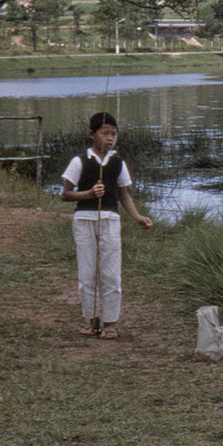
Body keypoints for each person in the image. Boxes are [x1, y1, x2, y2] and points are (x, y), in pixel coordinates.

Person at [61, 112, 153, 340]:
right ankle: (90, 320)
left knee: (111, 273)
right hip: (84, 220)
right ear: (92, 134)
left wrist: (137, 216)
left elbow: (124, 194)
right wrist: (89, 194)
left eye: (113, 134)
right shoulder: (79, 161)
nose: (110, 139)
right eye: (105, 134)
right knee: (87, 273)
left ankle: (110, 322)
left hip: (110, 221)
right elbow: (66, 195)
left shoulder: (118, 163)